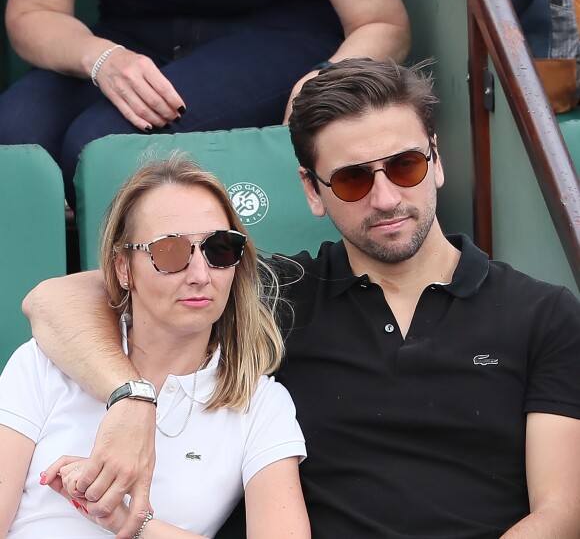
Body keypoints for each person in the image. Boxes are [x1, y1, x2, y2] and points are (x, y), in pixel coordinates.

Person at [23, 59, 580, 538]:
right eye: (353, 180)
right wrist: (130, 398)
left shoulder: (543, 315)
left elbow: (559, 514)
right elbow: (53, 301)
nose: (386, 198)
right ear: (313, 191)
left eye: (405, 165)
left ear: (436, 161)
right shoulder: (270, 292)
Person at [0, 157, 310, 538]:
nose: (200, 275)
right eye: (170, 252)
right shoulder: (44, 362)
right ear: (123, 269)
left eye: (220, 249)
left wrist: (129, 521)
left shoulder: (258, 403)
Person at [0, 0, 410, 207]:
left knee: (100, 143)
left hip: (275, 34)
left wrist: (324, 80)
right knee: (20, 130)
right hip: (131, 37)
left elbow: (384, 23)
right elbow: (34, 12)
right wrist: (99, 57)